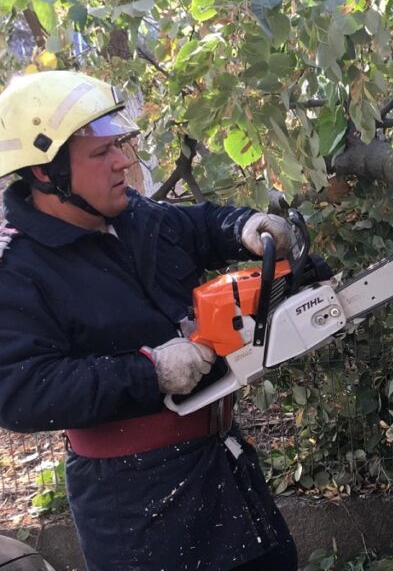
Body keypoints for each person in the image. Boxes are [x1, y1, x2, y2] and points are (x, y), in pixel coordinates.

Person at [0, 70, 299, 570]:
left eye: (119, 145)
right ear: (47, 174)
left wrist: (243, 226)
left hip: (221, 465)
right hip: (136, 503)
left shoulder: (130, 216)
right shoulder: (16, 269)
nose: (122, 161)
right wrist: (150, 371)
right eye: (101, 153)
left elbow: (197, 226)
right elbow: (20, 390)